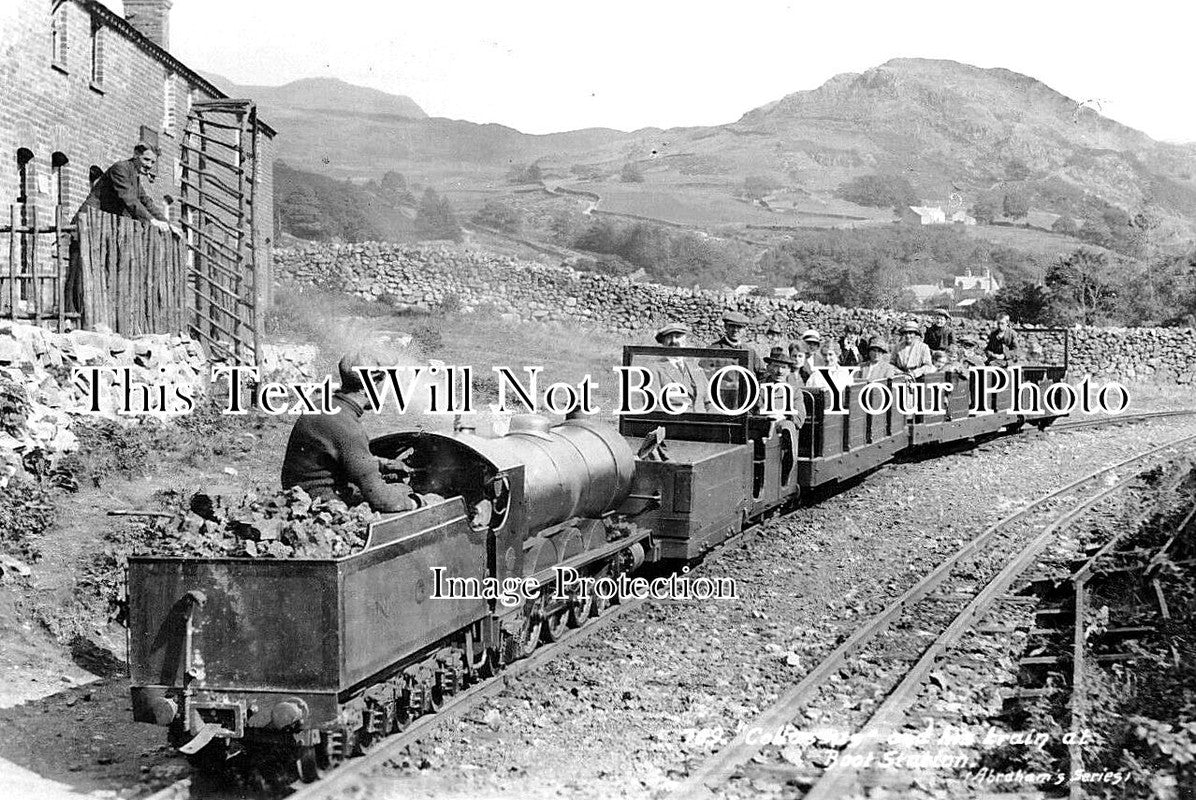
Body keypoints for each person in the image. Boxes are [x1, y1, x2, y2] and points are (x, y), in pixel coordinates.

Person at [281, 350, 420, 512]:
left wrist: (383, 464)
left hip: (298, 497)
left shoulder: (321, 406)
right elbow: (382, 500)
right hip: (326, 508)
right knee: (408, 495)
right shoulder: (348, 427)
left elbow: (334, 458)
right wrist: (418, 502)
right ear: (374, 383)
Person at [79, 142, 176, 231]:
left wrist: (168, 224)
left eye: (152, 162)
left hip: (102, 225)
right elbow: (129, 199)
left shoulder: (134, 175)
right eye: (146, 159)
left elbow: (146, 202)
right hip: (88, 221)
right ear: (135, 155)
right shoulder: (120, 169)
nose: (149, 165)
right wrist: (152, 221)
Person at [651, 322, 708, 413]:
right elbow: (654, 406)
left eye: (678, 336)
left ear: (684, 340)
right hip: (676, 423)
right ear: (663, 342)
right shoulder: (655, 369)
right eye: (669, 337)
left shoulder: (695, 368)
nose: (674, 341)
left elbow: (710, 401)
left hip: (704, 423)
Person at [707, 310, 765, 378]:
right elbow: (704, 374)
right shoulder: (714, 350)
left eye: (739, 327)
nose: (735, 330)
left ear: (745, 329)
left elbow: (762, 374)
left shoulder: (750, 352)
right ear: (726, 327)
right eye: (732, 326)